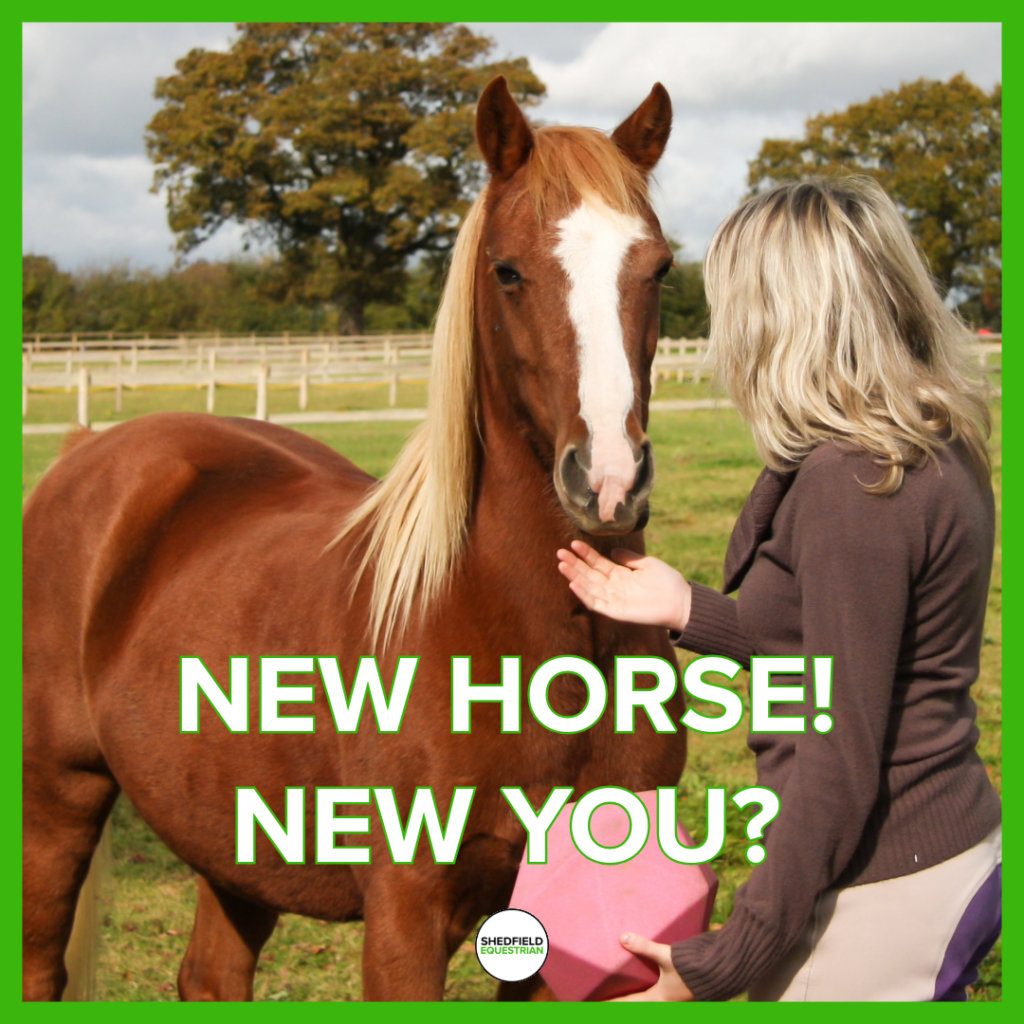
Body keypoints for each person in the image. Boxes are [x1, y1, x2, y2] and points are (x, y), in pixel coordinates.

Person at [556, 177, 1001, 1001]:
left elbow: (839, 757)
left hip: (882, 882)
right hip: (934, 852)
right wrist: (694, 611)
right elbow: (859, 644)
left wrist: (731, 957)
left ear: (778, 318)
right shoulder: (924, 443)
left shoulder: (854, 485)